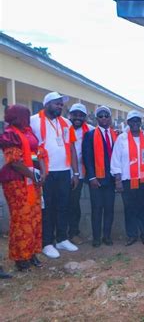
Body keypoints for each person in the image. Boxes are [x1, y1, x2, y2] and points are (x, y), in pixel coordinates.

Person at [30, 92, 80, 259]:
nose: (60, 106)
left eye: (61, 104)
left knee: (63, 206)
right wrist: (36, 170)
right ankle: (47, 243)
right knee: (48, 208)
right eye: (57, 103)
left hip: (64, 171)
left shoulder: (66, 123)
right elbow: (31, 149)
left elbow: (71, 148)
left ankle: (62, 238)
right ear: (47, 104)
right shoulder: (34, 121)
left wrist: (76, 172)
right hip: (46, 173)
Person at [0, 105, 46, 271]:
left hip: (32, 179)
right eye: (24, 116)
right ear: (16, 117)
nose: (27, 119)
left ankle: (32, 252)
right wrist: (32, 174)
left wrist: (42, 171)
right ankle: (20, 257)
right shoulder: (9, 134)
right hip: (16, 181)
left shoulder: (28, 132)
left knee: (34, 217)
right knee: (21, 218)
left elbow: (37, 153)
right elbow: (14, 161)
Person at [111, 110, 144, 246]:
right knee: (129, 208)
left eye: (137, 121)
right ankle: (131, 235)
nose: (135, 123)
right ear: (128, 123)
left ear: (140, 123)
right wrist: (118, 180)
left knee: (143, 207)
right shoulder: (121, 139)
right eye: (132, 121)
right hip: (127, 180)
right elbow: (116, 160)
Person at [83, 106, 117, 247]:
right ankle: (96, 238)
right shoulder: (90, 135)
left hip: (111, 179)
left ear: (110, 118)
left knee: (109, 208)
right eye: (101, 116)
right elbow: (87, 158)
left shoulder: (116, 135)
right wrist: (91, 177)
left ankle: (107, 236)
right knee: (96, 209)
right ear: (97, 118)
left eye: (106, 116)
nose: (104, 118)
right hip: (96, 179)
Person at [67, 103, 93, 245]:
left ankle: (73, 233)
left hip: (81, 174)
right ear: (70, 115)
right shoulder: (63, 127)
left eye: (81, 115)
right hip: (62, 172)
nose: (77, 117)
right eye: (75, 114)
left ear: (85, 117)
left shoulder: (90, 130)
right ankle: (59, 236)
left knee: (74, 204)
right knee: (60, 204)